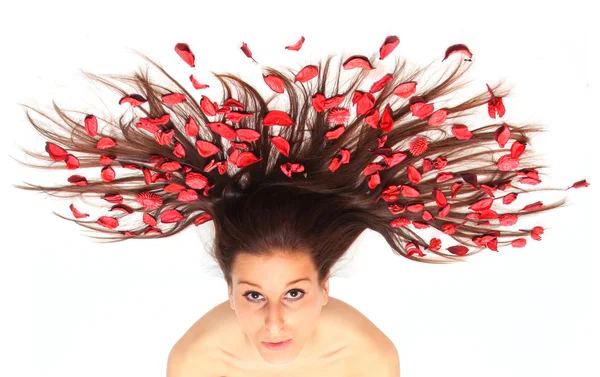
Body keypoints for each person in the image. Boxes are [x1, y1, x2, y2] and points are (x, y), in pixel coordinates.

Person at [12, 36, 588, 376]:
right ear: (229, 292)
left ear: (325, 285)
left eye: (294, 293)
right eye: (254, 295)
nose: (274, 321)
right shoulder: (195, 361)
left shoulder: (368, 356)